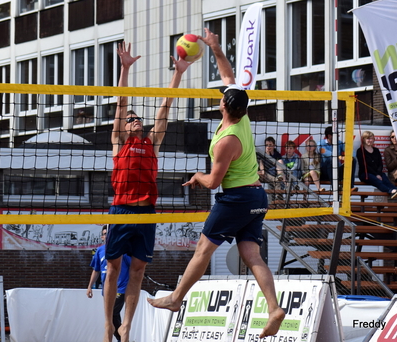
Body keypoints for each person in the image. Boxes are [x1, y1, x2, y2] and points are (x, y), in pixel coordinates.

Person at [147, 27, 285, 339]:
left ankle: (175, 298)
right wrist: (214, 48)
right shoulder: (242, 117)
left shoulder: (227, 141)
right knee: (252, 256)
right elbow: (228, 76)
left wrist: (197, 176)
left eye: (224, 97)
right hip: (256, 198)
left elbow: (213, 183)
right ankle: (274, 307)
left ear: (224, 106)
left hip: (236, 199)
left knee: (202, 248)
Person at [105, 41, 192, 342]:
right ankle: (107, 325)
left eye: (136, 117)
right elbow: (120, 102)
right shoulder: (118, 141)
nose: (134, 119)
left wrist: (178, 74)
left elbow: (165, 107)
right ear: (123, 126)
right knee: (113, 269)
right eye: (129, 119)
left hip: (145, 212)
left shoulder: (151, 142)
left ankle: (126, 326)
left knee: (138, 271)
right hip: (120, 209)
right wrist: (125, 68)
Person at [87, 225, 131, 342]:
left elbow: (133, 268)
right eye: (105, 234)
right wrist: (89, 286)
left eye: (110, 233)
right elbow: (96, 270)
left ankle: (120, 338)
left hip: (120, 288)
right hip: (106, 290)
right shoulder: (100, 251)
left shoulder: (123, 250)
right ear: (102, 237)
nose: (108, 235)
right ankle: (122, 338)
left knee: (112, 314)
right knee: (113, 316)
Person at [356, 131, 397, 198]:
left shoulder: (376, 150)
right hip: (365, 174)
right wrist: (376, 175)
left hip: (377, 173)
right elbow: (364, 166)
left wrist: (378, 173)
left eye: (371, 138)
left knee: (385, 178)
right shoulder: (360, 151)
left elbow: (380, 164)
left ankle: (395, 189)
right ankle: (390, 191)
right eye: (368, 138)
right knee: (377, 181)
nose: (370, 140)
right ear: (363, 139)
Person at [318, 126, 357, 191]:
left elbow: (350, 150)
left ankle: (350, 187)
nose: (338, 136)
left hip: (337, 171)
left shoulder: (339, 143)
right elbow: (324, 152)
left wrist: (350, 157)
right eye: (337, 134)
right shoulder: (321, 143)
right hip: (325, 172)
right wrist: (339, 157)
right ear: (329, 136)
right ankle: (335, 188)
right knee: (331, 160)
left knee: (353, 161)